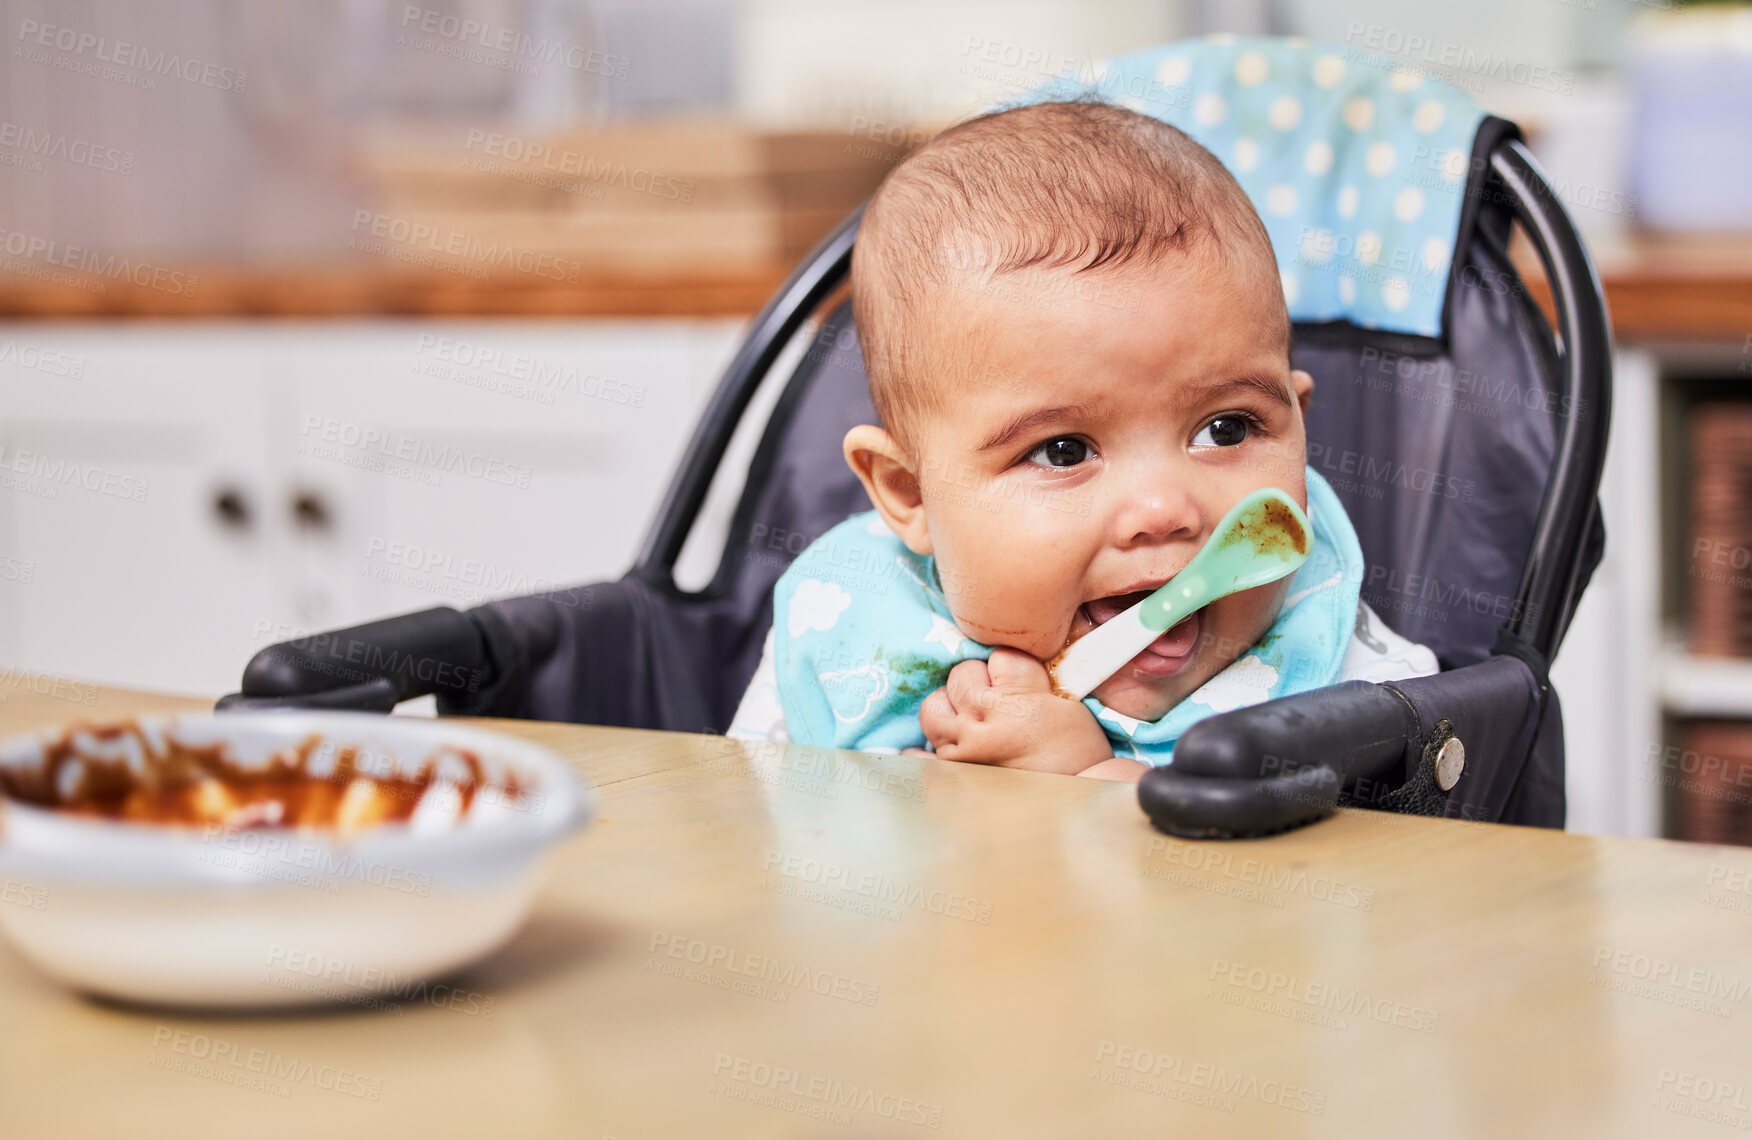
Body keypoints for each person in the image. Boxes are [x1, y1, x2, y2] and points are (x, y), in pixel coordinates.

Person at [727, 99, 1436, 781]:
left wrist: (1089, 785)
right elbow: (756, 848)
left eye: (1227, 429)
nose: (1164, 508)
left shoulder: (1343, 673)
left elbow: (1367, 883)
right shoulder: (854, 624)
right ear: (910, 493)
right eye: (1063, 451)